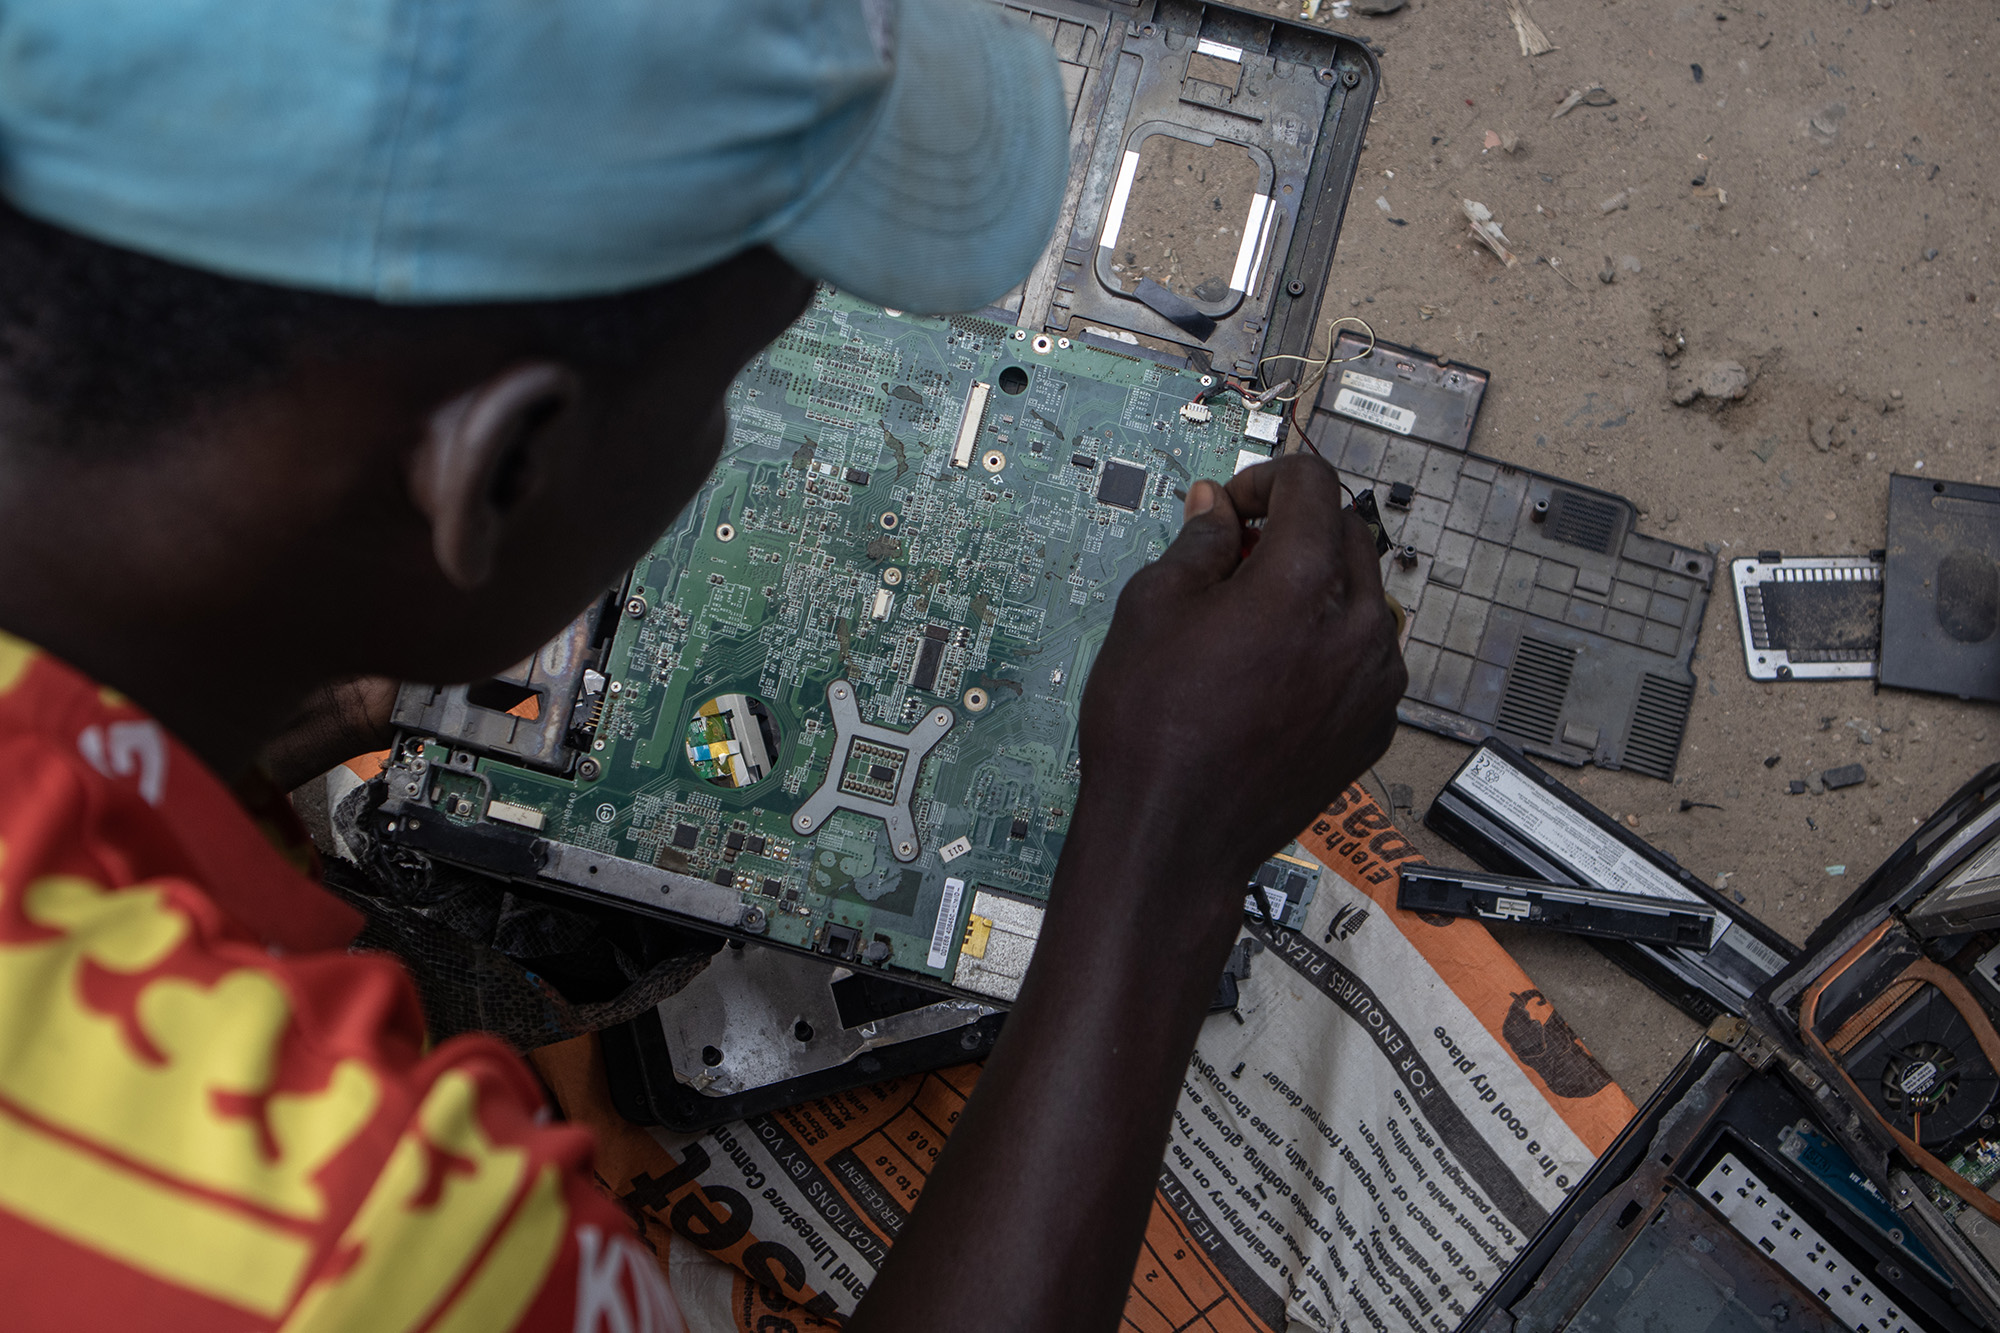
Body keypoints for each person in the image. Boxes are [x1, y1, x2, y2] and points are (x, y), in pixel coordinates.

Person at [0, 0, 1404, 1329]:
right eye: (737, 387)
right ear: (503, 473)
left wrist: (277, 684)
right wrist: (1164, 858)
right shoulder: (338, 1246)